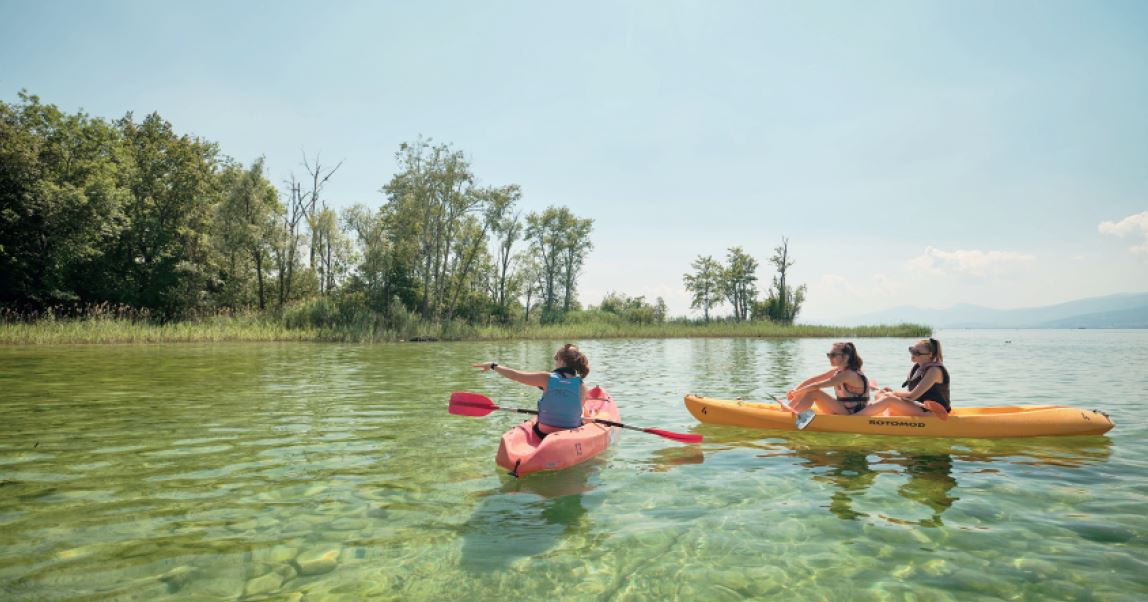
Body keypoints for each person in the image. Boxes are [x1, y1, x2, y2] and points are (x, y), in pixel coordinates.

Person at [473, 343, 590, 439]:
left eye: (556, 359)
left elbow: (515, 375)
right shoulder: (582, 386)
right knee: (584, 412)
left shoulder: (546, 378)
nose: (555, 362)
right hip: (569, 433)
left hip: (544, 432)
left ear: (562, 362)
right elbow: (574, 410)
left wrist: (493, 365)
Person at [858, 337, 950, 419]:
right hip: (919, 406)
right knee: (880, 394)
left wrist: (893, 394)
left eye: (916, 352)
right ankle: (886, 419)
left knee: (888, 399)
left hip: (935, 413)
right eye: (912, 350)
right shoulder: (918, 367)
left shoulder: (934, 371)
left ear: (930, 355)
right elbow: (911, 396)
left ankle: (854, 418)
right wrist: (892, 393)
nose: (912, 354)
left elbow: (913, 396)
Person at [779, 342, 871, 416]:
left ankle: (790, 416)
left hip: (853, 413)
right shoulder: (839, 370)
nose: (830, 358)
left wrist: (796, 393)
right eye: (829, 355)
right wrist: (795, 389)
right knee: (807, 390)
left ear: (846, 357)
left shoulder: (849, 374)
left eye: (833, 355)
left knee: (813, 392)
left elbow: (816, 385)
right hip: (842, 409)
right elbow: (814, 380)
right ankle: (786, 412)